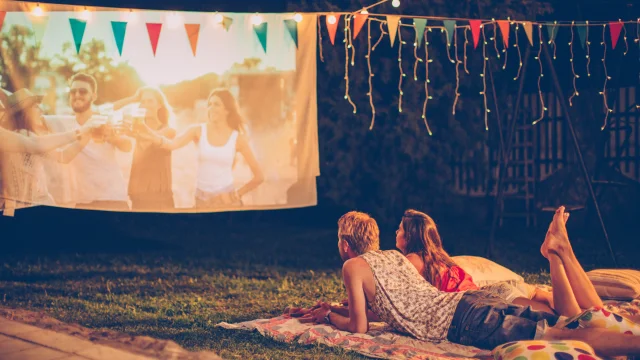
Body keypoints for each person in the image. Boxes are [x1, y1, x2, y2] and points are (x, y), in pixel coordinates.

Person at [294, 208, 640, 357]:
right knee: (566, 323)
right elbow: (389, 308)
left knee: (563, 336)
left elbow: (359, 327)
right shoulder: (394, 258)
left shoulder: (353, 266)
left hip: (463, 321)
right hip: (471, 303)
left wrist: (329, 317)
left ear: (344, 243)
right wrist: (332, 307)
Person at [396, 209, 556, 314]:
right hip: (490, 293)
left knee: (547, 318)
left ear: (409, 236)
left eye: (400, 229)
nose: (396, 232)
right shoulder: (439, 257)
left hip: (486, 299)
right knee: (552, 308)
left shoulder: (412, 261)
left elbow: (395, 294)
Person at [138, 88, 264, 209]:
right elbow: (172, 144)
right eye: (210, 104)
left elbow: (259, 177)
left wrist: (237, 194)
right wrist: (149, 133)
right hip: (201, 201)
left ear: (227, 110)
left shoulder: (238, 138)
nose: (211, 108)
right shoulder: (197, 130)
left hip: (227, 202)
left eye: (216, 104)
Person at [0, 89, 97, 214]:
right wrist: (79, 133)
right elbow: (35, 145)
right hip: (23, 210)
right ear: (24, 113)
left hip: (38, 206)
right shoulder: (15, 137)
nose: (41, 111)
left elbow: (63, 156)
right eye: (35, 107)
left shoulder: (31, 137)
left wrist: (87, 136)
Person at [46, 73, 132, 211]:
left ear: (94, 96)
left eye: (83, 91)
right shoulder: (61, 122)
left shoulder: (105, 119)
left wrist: (112, 137)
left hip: (112, 198)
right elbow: (32, 116)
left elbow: (127, 145)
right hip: (82, 201)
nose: (77, 95)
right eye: (73, 91)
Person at [113, 87, 176, 211]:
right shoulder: (136, 129)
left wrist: (135, 132)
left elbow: (151, 139)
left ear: (159, 105)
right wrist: (133, 98)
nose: (145, 105)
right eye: (143, 101)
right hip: (137, 194)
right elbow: (113, 109)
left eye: (150, 101)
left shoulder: (169, 131)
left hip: (160, 197)